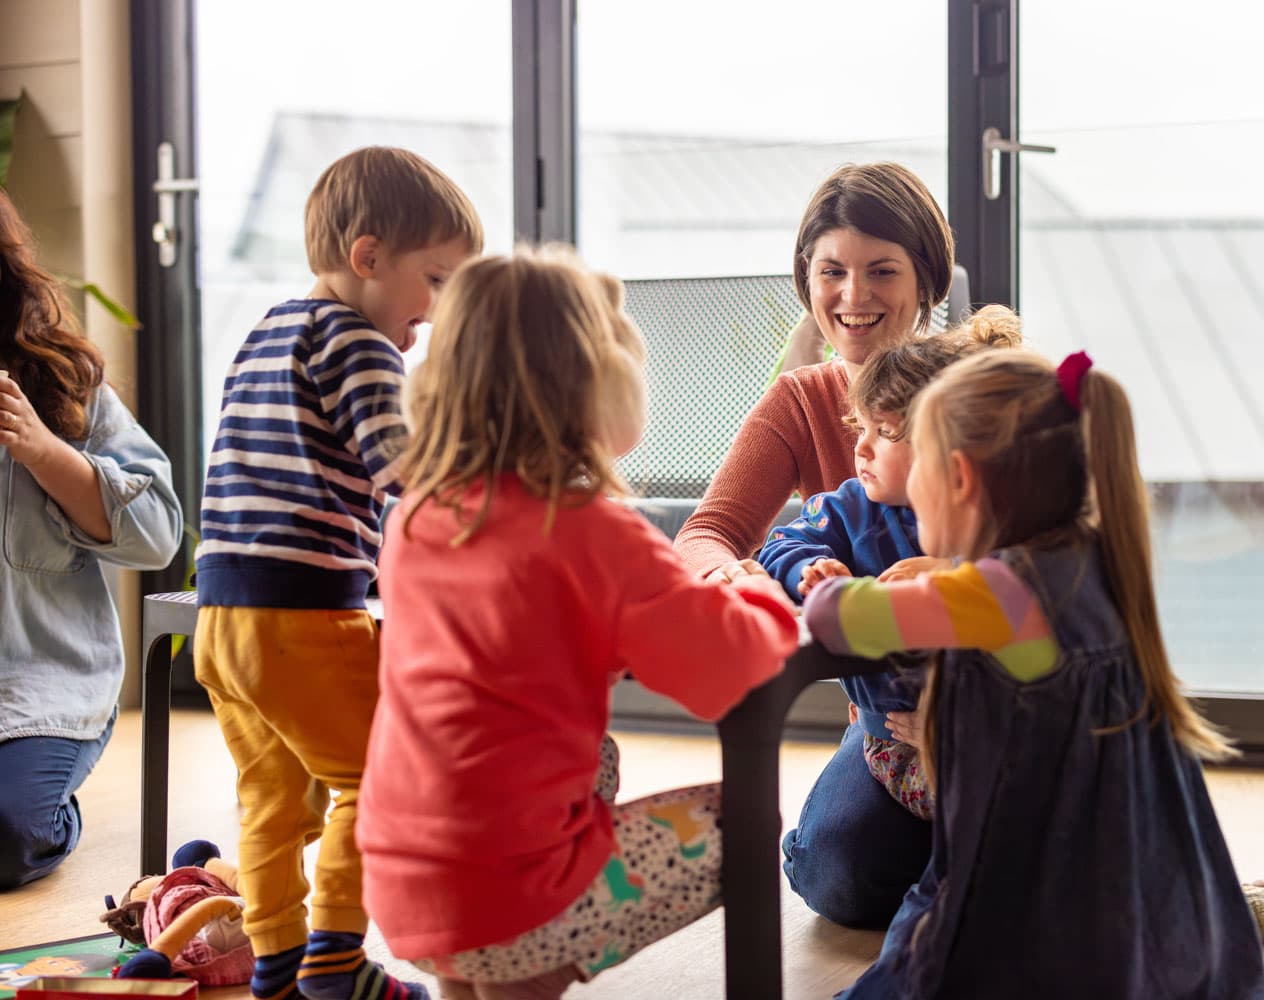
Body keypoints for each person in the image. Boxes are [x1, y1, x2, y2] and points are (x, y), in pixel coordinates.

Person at [356, 248, 800, 1000]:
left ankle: (487, 970)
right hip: (515, 894)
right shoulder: (592, 531)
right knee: (742, 821)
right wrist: (758, 593)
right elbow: (730, 666)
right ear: (595, 385)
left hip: (402, 876)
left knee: (591, 758)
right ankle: (530, 965)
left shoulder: (419, 517)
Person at [804, 349, 1264, 997]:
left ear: (959, 478)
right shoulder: (1097, 559)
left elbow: (842, 622)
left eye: (920, 475)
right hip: (1124, 873)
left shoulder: (996, 593)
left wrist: (827, 585)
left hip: (1027, 879)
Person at [191, 146, 482, 1000]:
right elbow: (400, 471)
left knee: (270, 797)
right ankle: (336, 960)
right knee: (378, 777)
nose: (433, 314)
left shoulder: (265, 333)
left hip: (220, 617)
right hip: (304, 617)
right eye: (433, 281)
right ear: (367, 258)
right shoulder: (360, 341)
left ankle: (276, 958)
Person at [673, 161, 955, 928]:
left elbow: (1068, 547)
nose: (853, 296)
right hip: (888, 719)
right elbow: (706, 533)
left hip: (1005, 697)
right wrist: (736, 576)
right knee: (839, 877)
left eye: (880, 271)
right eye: (831, 271)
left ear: (926, 278)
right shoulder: (800, 399)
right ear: (807, 281)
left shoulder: (976, 386)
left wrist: (961, 580)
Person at [758, 306, 1024, 821]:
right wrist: (811, 571)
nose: (861, 447)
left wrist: (952, 575)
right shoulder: (849, 505)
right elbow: (781, 545)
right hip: (893, 740)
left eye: (884, 432)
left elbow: (1029, 601)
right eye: (861, 426)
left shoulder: (987, 516)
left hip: (988, 730)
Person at [0, 188, 183, 890]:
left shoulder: (60, 381)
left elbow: (159, 533)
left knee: (12, 832)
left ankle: (54, 808)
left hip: (37, 687)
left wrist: (43, 450)